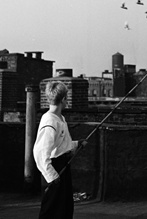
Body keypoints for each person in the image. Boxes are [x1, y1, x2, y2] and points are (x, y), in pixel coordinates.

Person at [33, 81, 87, 219]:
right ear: (63, 99)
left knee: (64, 208)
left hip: (62, 167)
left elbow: (61, 144)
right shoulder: (50, 122)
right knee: (51, 209)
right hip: (54, 169)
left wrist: (76, 144)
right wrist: (52, 176)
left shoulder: (60, 118)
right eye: (66, 97)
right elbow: (40, 152)